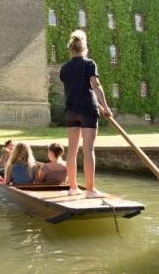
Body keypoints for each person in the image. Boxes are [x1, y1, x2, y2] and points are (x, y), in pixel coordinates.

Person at [59, 30, 113, 198]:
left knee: (72, 151)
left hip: (71, 111)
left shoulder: (64, 68)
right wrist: (106, 107)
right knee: (88, 150)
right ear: (84, 48)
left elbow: (71, 87)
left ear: (71, 49)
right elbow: (95, 85)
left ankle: (73, 188)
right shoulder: (89, 64)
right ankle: (90, 190)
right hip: (88, 109)